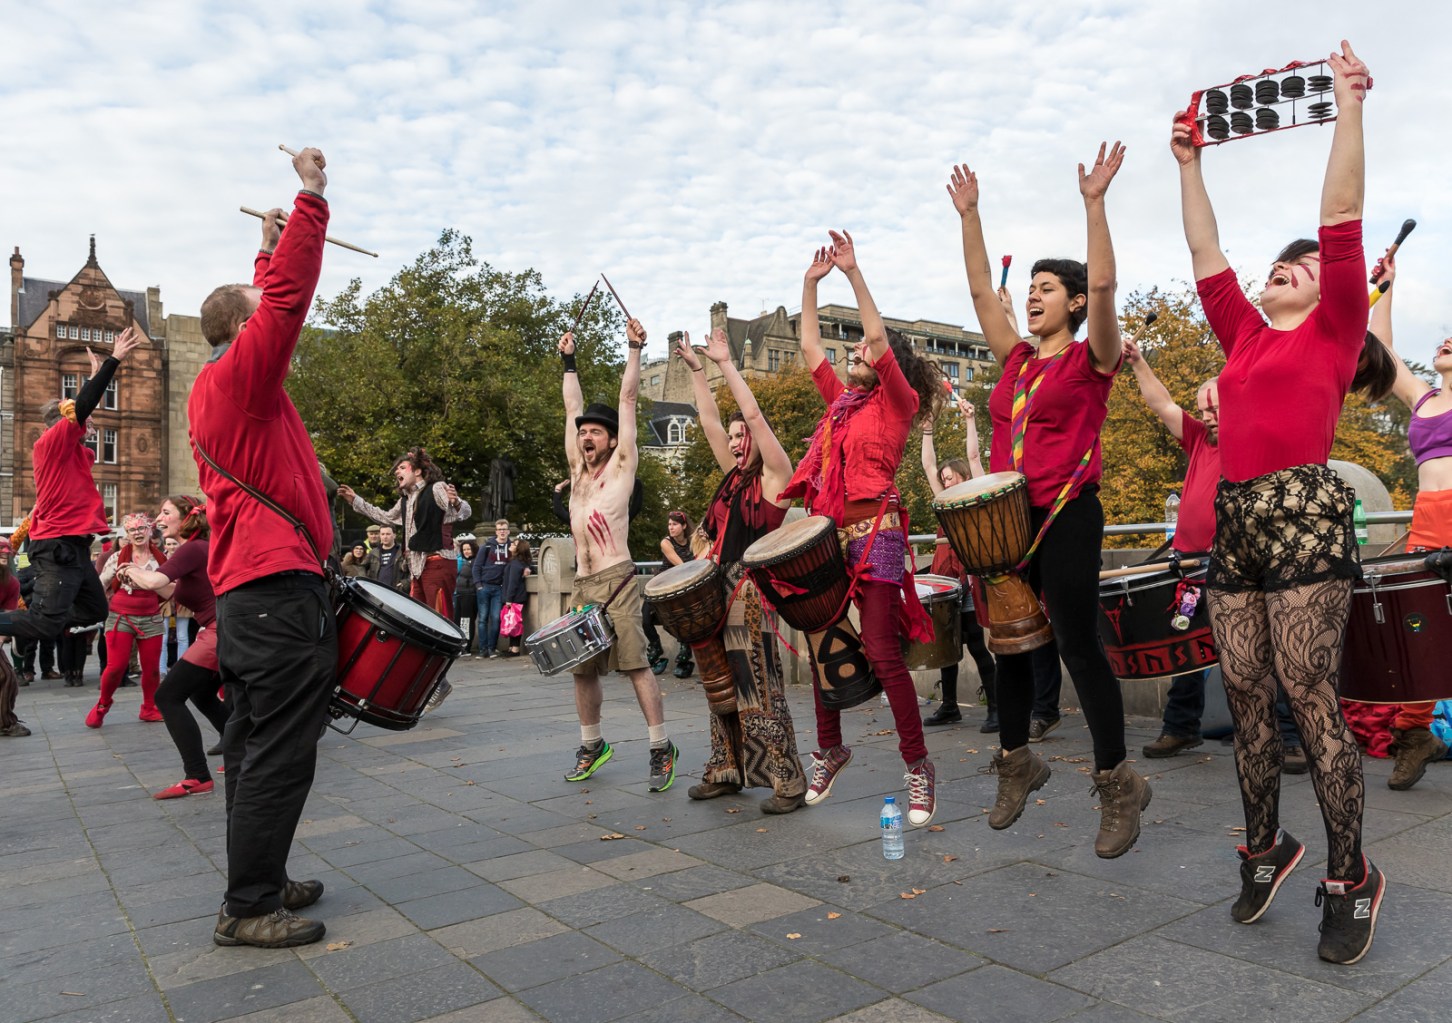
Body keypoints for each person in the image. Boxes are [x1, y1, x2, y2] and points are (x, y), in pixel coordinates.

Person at [1172, 41, 1391, 964]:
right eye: (1284, 263)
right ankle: (1267, 847)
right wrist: (1188, 164)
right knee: (1249, 699)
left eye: (1302, 265)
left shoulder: (1337, 328)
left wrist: (1348, 106)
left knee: (1311, 696)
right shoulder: (1243, 336)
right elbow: (1204, 250)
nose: (1288, 266)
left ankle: (1351, 872)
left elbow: (1338, 213)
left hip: (1304, 511)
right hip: (1240, 521)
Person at [949, 141, 1153, 858]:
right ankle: (1016, 762)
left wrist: (1094, 205)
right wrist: (971, 216)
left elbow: (1105, 290)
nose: (1033, 294)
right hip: (1008, 520)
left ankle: (1117, 780)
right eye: (1030, 286)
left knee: (1072, 641)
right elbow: (980, 292)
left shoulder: (1091, 356)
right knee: (1009, 648)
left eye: (1046, 287)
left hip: (1067, 511)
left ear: (1070, 301)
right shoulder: (1015, 359)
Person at [189, 146, 333, 948]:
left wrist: (268, 246)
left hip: (250, 596)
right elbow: (281, 301)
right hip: (277, 595)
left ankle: (261, 879)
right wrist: (311, 197)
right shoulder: (242, 380)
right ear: (243, 331)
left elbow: (261, 296)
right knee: (281, 752)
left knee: (250, 748)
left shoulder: (222, 387)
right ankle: (247, 906)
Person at [780, 231, 945, 827]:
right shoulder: (840, 403)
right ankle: (831, 748)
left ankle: (918, 766)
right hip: (829, 532)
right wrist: (809, 285)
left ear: (887, 366)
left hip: (877, 531)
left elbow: (875, 338)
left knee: (880, 650)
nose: (852, 356)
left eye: (862, 356)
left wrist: (853, 274)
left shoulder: (895, 401)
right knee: (824, 641)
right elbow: (807, 345)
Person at [1121, 346, 1309, 769]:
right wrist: (1137, 362)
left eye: (1215, 410)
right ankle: (1180, 727)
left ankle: (1289, 737)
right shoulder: (1199, 439)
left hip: (1237, 563)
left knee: (1262, 648)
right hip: (1188, 562)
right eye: (1204, 411)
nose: (1207, 417)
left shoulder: (1258, 440)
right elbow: (1162, 403)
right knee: (1185, 645)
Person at [676, 328, 809, 814]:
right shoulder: (733, 477)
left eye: (741, 436)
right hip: (716, 588)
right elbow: (708, 419)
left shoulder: (775, 474)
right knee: (718, 685)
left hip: (749, 594)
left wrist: (727, 365)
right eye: (731, 438)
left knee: (756, 687)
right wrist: (696, 369)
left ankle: (787, 781)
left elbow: (750, 412)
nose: (734, 441)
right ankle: (727, 768)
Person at [556, 317, 677, 791]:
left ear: (609, 440)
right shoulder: (577, 472)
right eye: (583, 431)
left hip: (619, 579)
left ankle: (660, 747)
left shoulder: (622, 467)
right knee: (582, 671)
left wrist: (633, 349)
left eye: (594, 432)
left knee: (634, 664)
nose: (586, 436)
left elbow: (627, 401)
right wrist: (569, 361)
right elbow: (571, 406)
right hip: (584, 584)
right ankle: (592, 745)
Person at [1365, 252, 1451, 789]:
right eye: (1443, 339)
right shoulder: (1423, 400)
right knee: (1418, 635)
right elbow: (1382, 352)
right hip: (1426, 523)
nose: (1446, 341)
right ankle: (1416, 734)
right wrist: (1387, 287)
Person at [0, 332, 144, 647]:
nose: (91, 422)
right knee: (43, 623)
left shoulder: (78, 454)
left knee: (96, 609)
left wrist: (90, 378)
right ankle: (42, 617)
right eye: (85, 418)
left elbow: (81, 405)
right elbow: (83, 405)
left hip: (76, 548)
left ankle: (47, 610)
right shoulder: (49, 444)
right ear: (61, 423)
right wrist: (113, 360)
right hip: (56, 545)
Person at [116, 496, 228, 799]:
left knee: (167, 696)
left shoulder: (193, 547)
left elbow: (155, 582)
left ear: (187, 518)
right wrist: (136, 576)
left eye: (166, 512)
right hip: (223, 630)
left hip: (220, 632)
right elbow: (172, 590)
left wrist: (131, 570)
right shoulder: (197, 549)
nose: (159, 518)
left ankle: (198, 776)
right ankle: (238, 751)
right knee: (201, 692)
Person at [919, 399, 1000, 731]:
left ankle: (996, 709)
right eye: (944, 479)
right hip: (945, 582)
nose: (945, 482)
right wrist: (926, 429)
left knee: (978, 646)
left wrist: (970, 420)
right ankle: (950, 706)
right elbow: (927, 466)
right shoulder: (943, 503)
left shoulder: (975, 498)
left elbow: (974, 458)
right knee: (946, 648)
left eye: (949, 478)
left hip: (968, 582)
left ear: (963, 478)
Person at [337, 448, 471, 618]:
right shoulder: (405, 500)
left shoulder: (436, 488)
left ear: (417, 471)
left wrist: (457, 502)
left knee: (439, 618)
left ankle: (447, 646)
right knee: (419, 620)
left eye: (401, 467)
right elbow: (384, 517)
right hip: (416, 567)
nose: (396, 471)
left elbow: (464, 512)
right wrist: (356, 500)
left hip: (437, 560)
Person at [84, 513, 168, 727]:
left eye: (141, 529)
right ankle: (103, 704)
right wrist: (101, 609)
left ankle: (149, 708)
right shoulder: (117, 557)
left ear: (150, 531)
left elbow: (171, 586)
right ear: (127, 534)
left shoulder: (162, 558)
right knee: (116, 666)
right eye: (132, 530)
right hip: (120, 616)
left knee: (151, 669)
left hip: (151, 617)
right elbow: (100, 585)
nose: (137, 533)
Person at [657, 511, 696, 678]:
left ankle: (684, 654)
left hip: (683, 586)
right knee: (645, 618)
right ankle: (656, 653)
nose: (670, 527)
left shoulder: (694, 541)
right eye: (669, 524)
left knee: (680, 619)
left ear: (684, 526)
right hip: (664, 583)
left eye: (674, 524)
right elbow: (681, 565)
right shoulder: (666, 542)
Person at [0, 538, 29, 737]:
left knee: (7, 676)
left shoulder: (11, 582)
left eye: (7, 551)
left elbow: (8, 615)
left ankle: (5, 722)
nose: (4, 554)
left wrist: (0, 640)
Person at [472, 519, 512, 657]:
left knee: (496, 618)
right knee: (482, 618)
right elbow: (476, 566)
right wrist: (478, 585)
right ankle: (483, 650)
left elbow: (520, 561)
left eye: (504, 529)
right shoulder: (487, 547)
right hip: (485, 586)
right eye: (500, 529)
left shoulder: (512, 547)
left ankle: (492, 648)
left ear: (508, 531)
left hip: (499, 588)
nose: (502, 531)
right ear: (496, 531)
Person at [500, 538, 531, 657]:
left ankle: (515, 649)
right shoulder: (519, 562)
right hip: (516, 597)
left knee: (514, 623)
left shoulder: (515, 563)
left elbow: (512, 583)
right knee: (512, 622)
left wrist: (508, 599)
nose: (511, 544)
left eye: (514, 544)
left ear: (519, 549)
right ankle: (511, 647)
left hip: (515, 598)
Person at [453, 539, 477, 649]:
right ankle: (461, 644)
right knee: (458, 620)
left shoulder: (475, 561)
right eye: (464, 549)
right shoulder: (460, 560)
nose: (466, 551)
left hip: (469, 595)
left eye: (468, 549)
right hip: (459, 594)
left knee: (466, 621)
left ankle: (467, 646)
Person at [373, 526, 407, 593]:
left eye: (388, 534)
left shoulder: (403, 552)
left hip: (396, 592)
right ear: (380, 536)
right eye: (382, 534)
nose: (385, 537)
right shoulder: (373, 552)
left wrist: (405, 584)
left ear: (394, 535)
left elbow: (414, 571)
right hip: (377, 592)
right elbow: (360, 567)